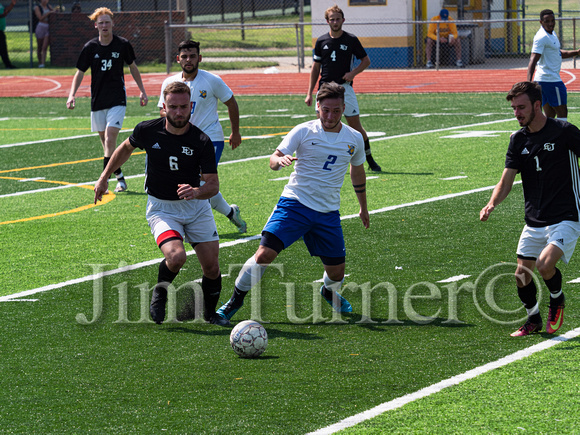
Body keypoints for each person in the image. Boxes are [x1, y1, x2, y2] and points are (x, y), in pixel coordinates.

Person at [217, 82, 369, 322]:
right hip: (295, 204)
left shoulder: (354, 138)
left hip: (327, 212)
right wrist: (280, 160)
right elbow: (273, 159)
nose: (330, 116)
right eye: (325, 110)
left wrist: (363, 207)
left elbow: (357, 170)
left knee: (337, 273)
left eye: (336, 111)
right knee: (264, 255)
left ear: (344, 108)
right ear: (317, 107)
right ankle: (234, 301)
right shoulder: (303, 131)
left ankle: (328, 291)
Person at [94, 81, 229, 327]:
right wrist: (104, 177)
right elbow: (125, 148)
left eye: (184, 107)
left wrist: (196, 191)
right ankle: (161, 292)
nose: (178, 112)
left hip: (197, 208)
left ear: (191, 107)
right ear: (164, 107)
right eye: (173, 107)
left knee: (211, 267)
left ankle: (210, 315)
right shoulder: (147, 130)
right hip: (162, 209)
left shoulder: (201, 140)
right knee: (176, 257)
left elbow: (213, 185)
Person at [480, 81, 580, 337]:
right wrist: (492, 203)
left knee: (546, 265)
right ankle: (533, 319)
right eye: (514, 108)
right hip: (534, 219)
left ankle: (557, 300)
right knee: (521, 276)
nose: (517, 113)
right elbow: (506, 179)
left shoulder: (564, 131)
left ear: (538, 105)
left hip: (566, 215)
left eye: (521, 107)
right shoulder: (517, 140)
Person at [157, 40, 247, 233]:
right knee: (196, 182)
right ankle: (231, 213)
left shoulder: (212, 80)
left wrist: (235, 131)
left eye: (192, 56)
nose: (188, 60)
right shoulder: (169, 83)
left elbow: (231, 103)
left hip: (210, 139)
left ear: (200, 58)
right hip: (182, 140)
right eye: (184, 56)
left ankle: (201, 226)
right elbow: (162, 111)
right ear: (178, 59)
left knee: (202, 182)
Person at [66, 7, 148, 193]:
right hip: (97, 101)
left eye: (107, 22)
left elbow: (133, 67)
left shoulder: (122, 44)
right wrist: (72, 94)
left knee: (111, 137)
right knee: (106, 144)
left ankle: (103, 181)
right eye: (101, 22)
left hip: (117, 99)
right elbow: (80, 73)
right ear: (96, 25)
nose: (104, 25)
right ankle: (120, 177)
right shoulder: (90, 48)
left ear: (112, 24)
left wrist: (142, 91)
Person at [305, 4, 381, 173]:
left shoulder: (351, 39)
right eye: (332, 19)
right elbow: (315, 68)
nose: (335, 22)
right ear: (327, 21)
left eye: (338, 19)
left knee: (356, 128)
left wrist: (353, 73)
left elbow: (366, 60)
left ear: (343, 20)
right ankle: (323, 163)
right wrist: (309, 93)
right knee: (322, 126)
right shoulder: (321, 41)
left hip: (344, 88)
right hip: (324, 89)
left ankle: (369, 159)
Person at [527, 9, 580, 121]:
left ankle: (545, 139)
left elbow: (558, 53)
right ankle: (561, 139)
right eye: (547, 21)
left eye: (552, 20)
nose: (551, 23)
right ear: (541, 22)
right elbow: (533, 60)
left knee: (549, 116)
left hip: (544, 81)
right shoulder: (542, 37)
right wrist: (528, 83)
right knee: (562, 113)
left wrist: (577, 52)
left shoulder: (551, 33)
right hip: (550, 81)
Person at [33, 0, 54, 68]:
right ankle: (39, 62)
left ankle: (43, 63)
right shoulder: (37, 7)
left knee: (44, 47)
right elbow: (40, 18)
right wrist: (48, 13)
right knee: (39, 47)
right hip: (41, 27)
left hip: (48, 27)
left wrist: (54, 11)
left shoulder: (49, 6)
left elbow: (53, 13)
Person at [0, 0, 16, 69]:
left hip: (0, 30)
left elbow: (5, 11)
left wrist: (12, 4)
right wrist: (3, 15)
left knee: (3, 49)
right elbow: (3, 14)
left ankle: (8, 65)